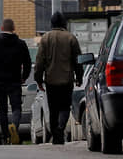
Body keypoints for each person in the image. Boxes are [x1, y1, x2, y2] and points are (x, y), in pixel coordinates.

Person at [34, 11, 82, 145]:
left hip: (51, 80)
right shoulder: (71, 38)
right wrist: (79, 77)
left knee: (53, 108)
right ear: (64, 23)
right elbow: (77, 60)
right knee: (65, 107)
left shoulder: (45, 38)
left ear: (52, 23)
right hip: (67, 79)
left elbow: (39, 62)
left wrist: (38, 79)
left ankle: (56, 133)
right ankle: (61, 128)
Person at [0, 18, 31, 145]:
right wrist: (24, 77)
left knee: (2, 110)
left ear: (2, 28)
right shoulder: (21, 44)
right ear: (13, 29)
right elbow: (27, 63)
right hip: (15, 81)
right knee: (16, 108)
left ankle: (6, 137)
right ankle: (14, 125)